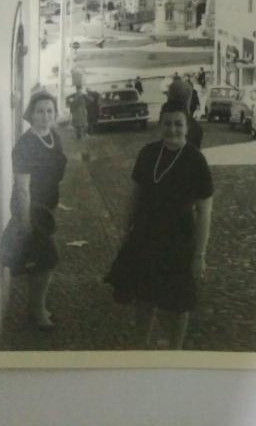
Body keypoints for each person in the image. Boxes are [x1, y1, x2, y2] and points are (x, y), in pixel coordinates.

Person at [104, 101, 214, 349]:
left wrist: (200, 254)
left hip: (179, 240)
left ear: (187, 127)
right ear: (160, 124)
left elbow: (205, 211)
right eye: (167, 123)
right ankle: (141, 344)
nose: (172, 129)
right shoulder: (148, 153)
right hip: (145, 236)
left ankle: (174, 350)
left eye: (178, 124)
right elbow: (134, 196)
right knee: (144, 295)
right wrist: (125, 232)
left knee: (178, 302)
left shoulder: (196, 161)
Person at [0, 90, 67, 330]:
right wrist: (25, 222)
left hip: (45, 208)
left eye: (50, 110)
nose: (45, 115)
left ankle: (35, 308)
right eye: (40, 111)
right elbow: (21, 188)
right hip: (29, 207)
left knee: (39, 260)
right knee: (48, 259)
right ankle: (37, 312)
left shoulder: (54, 138)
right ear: (30, 114)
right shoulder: (25, 144)